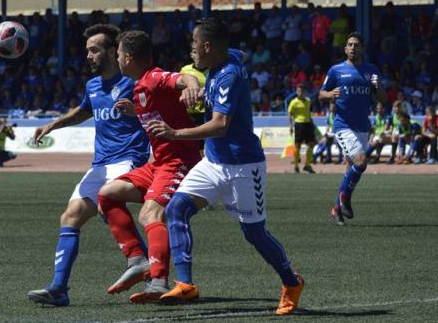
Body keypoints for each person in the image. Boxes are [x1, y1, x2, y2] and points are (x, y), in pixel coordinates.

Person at [146, 18, 304, 315]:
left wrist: (173, 133)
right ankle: (186, 284)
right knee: (176, 209)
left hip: (244, 166)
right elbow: (236, 53)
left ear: (207, 46)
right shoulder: (228, 57)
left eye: (194, 44)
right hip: (214, 162)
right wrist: (197, 89)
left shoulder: (230, 74)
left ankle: (292, 282)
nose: (191, 49)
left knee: (254, 233)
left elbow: (219, 125)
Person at [27, 24, 150, 307]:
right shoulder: (92, 86)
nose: (88, 56)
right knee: (70, 216)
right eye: (87, 51)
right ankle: (59, 288)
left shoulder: (133, 81)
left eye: (94, 50)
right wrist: (53, 124)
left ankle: (141, 260)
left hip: (130, 158)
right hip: (101, 163)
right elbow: (84, 111)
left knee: (108, 199)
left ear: (111, 51)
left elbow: (155, 110)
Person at [97, 30, 201, 304]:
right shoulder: (141, 86)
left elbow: (181, 78)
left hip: (178, 162)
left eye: (118, 54)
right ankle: (138, 260)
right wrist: (136, 112)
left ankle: (158, 281)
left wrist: (190, 85)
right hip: (156, 164)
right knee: (107, 195)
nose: (116, 59)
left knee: (150, 214)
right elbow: (158, 113)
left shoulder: (154, 78)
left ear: (128, 57)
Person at [319, 32, 386, 226]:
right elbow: (321, 94)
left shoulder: (371, 70)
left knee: (351, 167)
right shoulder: (336, 70)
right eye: (349, 44)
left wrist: (379, 86)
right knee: (361, 161)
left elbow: (381, 99)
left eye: (356, 45)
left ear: (362, 48)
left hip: (363, 126)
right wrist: (330, 93)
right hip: (343, 125)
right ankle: (345, 198)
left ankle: (337, 209)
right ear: (345, 48)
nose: (352, 48)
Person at [287, 84, 316, 173]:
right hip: (299, 124)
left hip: (308, 124)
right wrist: (291, 126)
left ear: (304, 92)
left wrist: (312, 123)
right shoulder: (293, 102)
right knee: (297, 146)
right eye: (298, 91)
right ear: (296, 92)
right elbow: (289, 115)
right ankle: (296, 166)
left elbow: (308, 113)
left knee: (311, 144)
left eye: (302, 91)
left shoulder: (308, 100)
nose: (300, 93)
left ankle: (307, 165)